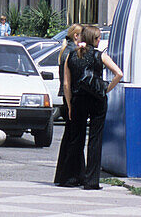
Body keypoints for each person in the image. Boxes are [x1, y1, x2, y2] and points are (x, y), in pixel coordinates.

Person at [59, 25, 123, 189]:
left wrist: (69, 103)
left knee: (76, 139)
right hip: (97, 100)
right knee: (95, 139)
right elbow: (119, 74)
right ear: (94, 40)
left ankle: (71, 178)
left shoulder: (71, 55)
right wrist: (105, 89)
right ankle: (91, 181)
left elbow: (66, 83)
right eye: (98, 37)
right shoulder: (99, 55)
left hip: (78, 100)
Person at [53, 23, 85, 185]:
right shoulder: (71, 52)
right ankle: (71, 175)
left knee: (70, 137)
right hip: (70, 97)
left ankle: (66, 175)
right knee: (74, 137)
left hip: (67, 98)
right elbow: (67, 82)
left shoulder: (65, 51)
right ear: (76, 36)